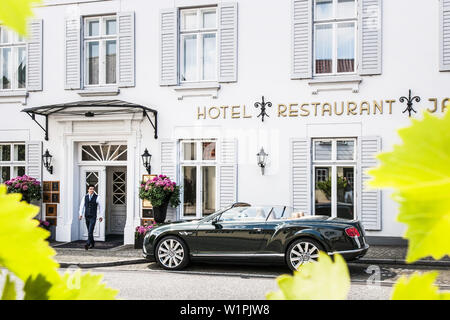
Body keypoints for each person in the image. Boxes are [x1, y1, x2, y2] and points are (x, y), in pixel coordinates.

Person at [79, 185, 103, 250]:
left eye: (93, 189)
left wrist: (101, 216)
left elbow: (101, 207)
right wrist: (80, 214)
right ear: (88, 190)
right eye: (90, 189)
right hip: (86, 216)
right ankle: (92, 243)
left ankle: (87, 243)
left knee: (90, 230)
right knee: (90, 231)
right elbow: (82, 206)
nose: (91, 190)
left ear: (94, 190)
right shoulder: (85, 197)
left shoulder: (97, 197)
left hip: (93, 216)